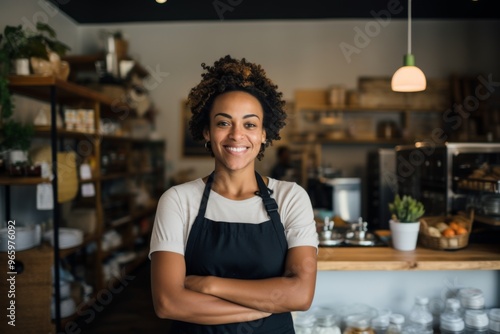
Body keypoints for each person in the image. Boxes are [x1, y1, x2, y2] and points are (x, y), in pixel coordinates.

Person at [149, 55, 318, 333]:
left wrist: (208, 284)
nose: (237, 135)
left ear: (264, 134)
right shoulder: (178, 200)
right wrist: (269, 303)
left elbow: (300, 295)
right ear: (207, 131)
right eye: (224, 123)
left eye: (250, 124)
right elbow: (168, 303)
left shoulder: (291, 197)